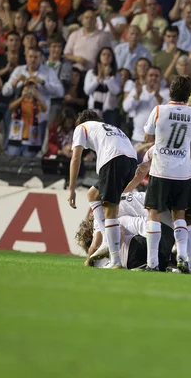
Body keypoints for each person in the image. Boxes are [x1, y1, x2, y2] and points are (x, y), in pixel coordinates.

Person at [139, 75, 191, 272]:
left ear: (170, 90)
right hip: (183, 173)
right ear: (189, 94)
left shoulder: (159, 110)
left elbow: (147, 135)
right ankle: (182, 258)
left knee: (154, 214)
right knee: (179, 215)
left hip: (161, 169)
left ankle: (152, 263)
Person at [68, 110, 138, 269]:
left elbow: (76, 158)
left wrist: (71, 188)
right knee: (93, 194)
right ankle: (105, 240)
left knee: (110, 211)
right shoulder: (109, 128)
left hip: (114, 159)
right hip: (131, 161)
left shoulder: (82, 127)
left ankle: (115, 260)